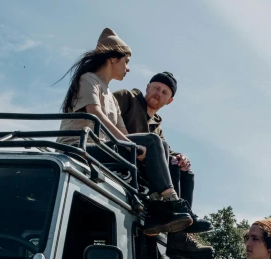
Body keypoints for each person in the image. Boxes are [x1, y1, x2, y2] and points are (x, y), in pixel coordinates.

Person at [58, 29, 199, 244]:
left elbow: (124, 134)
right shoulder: (89, 80)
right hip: (79, 146)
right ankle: (170, 199)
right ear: (113, 59)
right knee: (153, 141)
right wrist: (129, 145)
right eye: (126, 61)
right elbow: (95, 113)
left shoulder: (111, 98)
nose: (128, 68)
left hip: (102, 149)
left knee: (156, 142)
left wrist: (134, 146)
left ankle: (164, 210)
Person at [114, 74, 213, 259]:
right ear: (147, 87)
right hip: (120, 155)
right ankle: (172, 209)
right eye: (156, 88)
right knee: (163, 153)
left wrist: (180, 157)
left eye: (164, 92)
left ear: (170, 100)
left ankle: (180, 232)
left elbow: (164, 149)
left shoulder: (157, 125)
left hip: (141, 165)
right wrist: (130, 144)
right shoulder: (127, 97)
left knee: (182, 167)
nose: (158, 94)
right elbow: (104, 116)